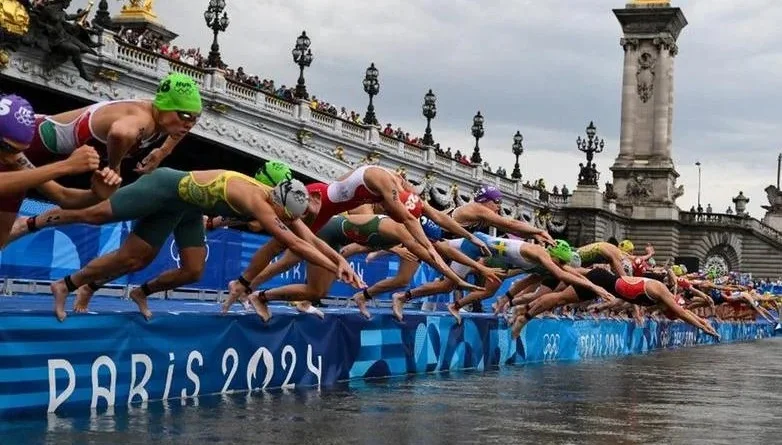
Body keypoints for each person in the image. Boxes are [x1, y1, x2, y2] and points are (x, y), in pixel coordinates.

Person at [10, 167, 364, 321]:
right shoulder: (259, 202)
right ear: (278, 205)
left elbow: (308, 237)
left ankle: (100, 288)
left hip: (187, 207)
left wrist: (340, 262)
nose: (288, 222)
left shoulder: (278, 201)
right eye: (287, 217)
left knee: (190, 269)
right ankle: (32, 221)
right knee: (95, 215)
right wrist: (336, 266)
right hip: (165, 188)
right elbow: (295, 243)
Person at [225, 164, 492, 305]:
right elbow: (417, 231)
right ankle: (244, 284)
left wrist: (471, 238)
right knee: (279, 246)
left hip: (329, 212)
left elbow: (436, 217)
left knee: (287, 253)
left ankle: (249, 287)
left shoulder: (401, 191)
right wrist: (453, 275)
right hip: (317, 204)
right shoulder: (386, 189)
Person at [0, 72, 202, 246]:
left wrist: (162, 151)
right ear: (164, 107)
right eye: (186, 116)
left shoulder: (14, 156)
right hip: (30, 144)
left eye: (196, 117)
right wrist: (113, 166)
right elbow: (120, 132)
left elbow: (64, 197)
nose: (190, 124)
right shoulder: (142, 120)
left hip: (25, 151)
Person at [246, 211, 486, 322]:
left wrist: (480, 268)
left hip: (336, 236)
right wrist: (460, 280)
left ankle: (248, 290)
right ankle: (257, 296)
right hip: (327, 234)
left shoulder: (406, 231)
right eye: (428, 241)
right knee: (315, 288)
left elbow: (443, 250)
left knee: (296, 269)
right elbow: (435, 257)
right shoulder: (399, 231)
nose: (430, 245)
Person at [393, 238, 612, 323]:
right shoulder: (541, 255)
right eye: (561, 264)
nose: (561, 268)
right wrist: (594, 287)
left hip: (489, 259)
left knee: (489, 290)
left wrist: (593, 277)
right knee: (447, 283)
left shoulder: (548, 259)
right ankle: (403, 296)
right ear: (558, 258)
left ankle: (455, 305)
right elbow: (565, 274)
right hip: (474, 248)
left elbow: (570, 273)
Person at [510, 266, 720, 339]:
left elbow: (685, 312)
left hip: (605, 280)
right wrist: (704, 327)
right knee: (559, 297)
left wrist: (704, 323)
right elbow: (683, 314)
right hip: (601, 280)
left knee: (559, 295)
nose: (665, 313)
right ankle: (523, 314)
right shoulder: (662, 294)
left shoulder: (666, 298)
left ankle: (522, 309)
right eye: (668, 312)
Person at [0, 94, 120, 197]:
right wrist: (66, 166)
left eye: (18, 151)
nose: (7, 158)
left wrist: (97, 196)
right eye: (7, 147)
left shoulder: (12, 156)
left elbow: (63, 196)